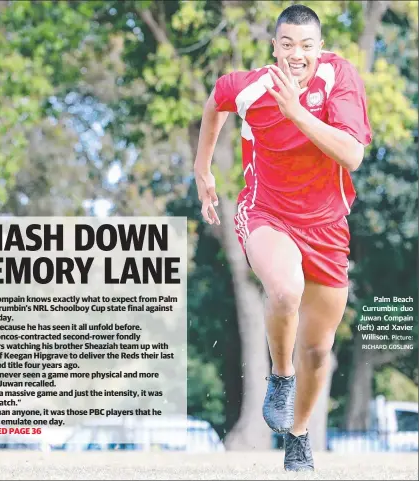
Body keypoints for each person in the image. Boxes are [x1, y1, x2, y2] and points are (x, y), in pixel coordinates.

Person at [193, 4, 371, 472]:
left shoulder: (339, 77)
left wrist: (296, 113)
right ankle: (280, 377)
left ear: (320, 47)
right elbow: (216, 102)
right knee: (285, 289)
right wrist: (202, 167)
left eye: (307, 46)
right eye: (287, 44)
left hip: (328, 226)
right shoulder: (250, 86)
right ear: (274, 46)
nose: (297, 54)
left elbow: (352, 154)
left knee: (317, 349)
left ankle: (298, 436)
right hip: (265, 212)